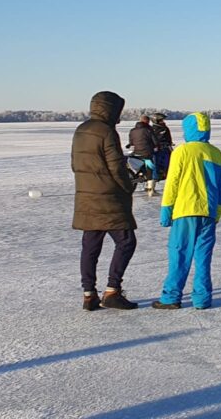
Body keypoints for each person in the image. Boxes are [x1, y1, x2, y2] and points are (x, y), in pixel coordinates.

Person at [71, 91, 139, 311]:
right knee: (126, 241)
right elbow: (116, 167)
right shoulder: (106, 131)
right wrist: (128, 186)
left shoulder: (81, 130)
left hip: (86, 196)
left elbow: (75, 164)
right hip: (108, 199)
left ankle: (89, 294)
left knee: (90, 245)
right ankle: (112, 290)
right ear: (110, 110)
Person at [152, 113, 221, 310]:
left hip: (185, 211)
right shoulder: (216, 153)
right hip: (208, 213)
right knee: (203, 257)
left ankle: (171, 297)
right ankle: (202, 299)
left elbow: (172, 183)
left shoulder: (182, 152)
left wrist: (166, 210)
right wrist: (216, 213)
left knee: (179, 253)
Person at [127, 115, 159, 194]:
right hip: (147, 153)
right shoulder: (148, 130)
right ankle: (150, 188)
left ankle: (139, 175)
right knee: (150, 168)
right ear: (147, 121)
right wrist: (157, 146)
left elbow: (131, 142)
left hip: (136, 152)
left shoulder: (132, 130)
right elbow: (155, 141)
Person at [151, 112, 175, 180]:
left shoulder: (163, 128)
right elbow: (159, 138)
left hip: (163, 148)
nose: (163, 121)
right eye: (161, 120)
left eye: (163, 120)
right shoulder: (159, 129)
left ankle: (164, 173)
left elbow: (168, 139)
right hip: (161, 149)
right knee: (165, 163)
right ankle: (161, 174)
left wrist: (169, 143)